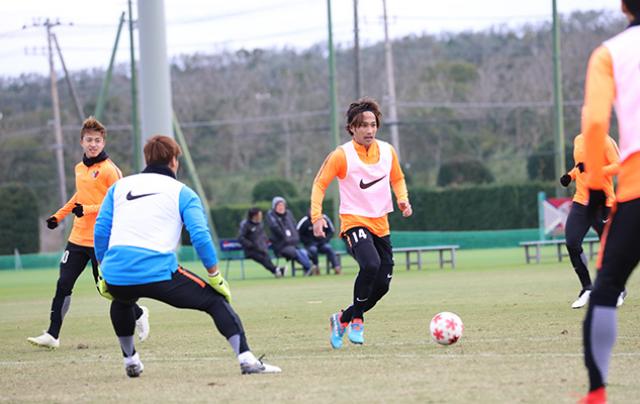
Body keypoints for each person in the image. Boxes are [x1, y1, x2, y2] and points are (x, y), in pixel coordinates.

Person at [94, 135, 280, 377]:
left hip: (116, 272)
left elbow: (100, 231)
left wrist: (103, 271)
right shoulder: (183, 192)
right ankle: (247, 359)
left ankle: (130, 360)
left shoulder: (119, 187)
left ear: (147, 159)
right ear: (174, 161)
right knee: (215, 301)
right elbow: (200, 237)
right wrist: (215, 276)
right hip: (159, 272)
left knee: (122, 301)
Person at [28, 117, 149, 349]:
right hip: (77, 238)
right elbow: (78, 198)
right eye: (89, 140)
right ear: (81, 142)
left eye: (97, 140)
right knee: (63, 284)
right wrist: (59, 216)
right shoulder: (79, 168)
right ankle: (53, 335)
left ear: (103, 143)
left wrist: (88, 209)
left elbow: (117, 201)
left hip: (101, 239)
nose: (93, 144)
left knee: (107, 288)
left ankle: (139, 313)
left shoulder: (110, 171)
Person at [310, 97, 412, 349]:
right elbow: (320, 184)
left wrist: (403, 199)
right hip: (354, 221)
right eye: (363, 125)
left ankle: (342, 318)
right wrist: (316, 217)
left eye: (373, 124)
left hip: (381, 225)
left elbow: (397, 178)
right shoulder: (341, 155)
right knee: (370, 265)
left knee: (382, 285)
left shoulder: (387, 151)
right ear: (352, 128)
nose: (369, 130)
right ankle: (357, 319)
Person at [580, 1, 640, 402]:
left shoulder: (610, 53)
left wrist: (597, 184)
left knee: (606, 290)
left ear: (623, 6)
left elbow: (596, 123)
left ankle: (597, 392)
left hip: (635, 190)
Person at [559, 133, 620, 309]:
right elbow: (581, 166)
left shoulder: (606, 141)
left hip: (603, 202)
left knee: (609, 247)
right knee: (572, 243)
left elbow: (618, 166)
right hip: (581, 202)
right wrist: (570, 175)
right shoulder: (578, 140)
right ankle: (587, 287)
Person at [266, 196, 314, 276]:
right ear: (274, 207)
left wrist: (294, 239)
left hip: (292, 244)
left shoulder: (288, 214)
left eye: (282, 205)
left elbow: (294, 228)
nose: (281, 207)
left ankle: (308, 267)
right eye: (279, 205)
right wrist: (287, 239)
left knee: (303, 251)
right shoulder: (271, 216)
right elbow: (276, 230)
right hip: (281, 246)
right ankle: (308, 267)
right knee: (294, 252)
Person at [238, 207, 286, 277]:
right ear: (254, 216)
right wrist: (250, 245)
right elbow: (240, 238)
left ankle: (277, 271)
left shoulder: (260, 224)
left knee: (266, 257)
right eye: (259, 215)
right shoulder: (245, 225)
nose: (261, 217)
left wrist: (266, 241)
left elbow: (262, 236)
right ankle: (277, 270)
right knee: (263, 258)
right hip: (250, 250)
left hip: (260, 249)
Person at [297, 209, 342, 275]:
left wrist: (325, 240)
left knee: (328, 248)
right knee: (313, 250)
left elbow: (331, 231)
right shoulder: (305, 221)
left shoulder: (324, 218)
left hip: (322, 244)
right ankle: (316, 268)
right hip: (310, 245)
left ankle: (336, 267)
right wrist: (307, 242)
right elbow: (298, 233)